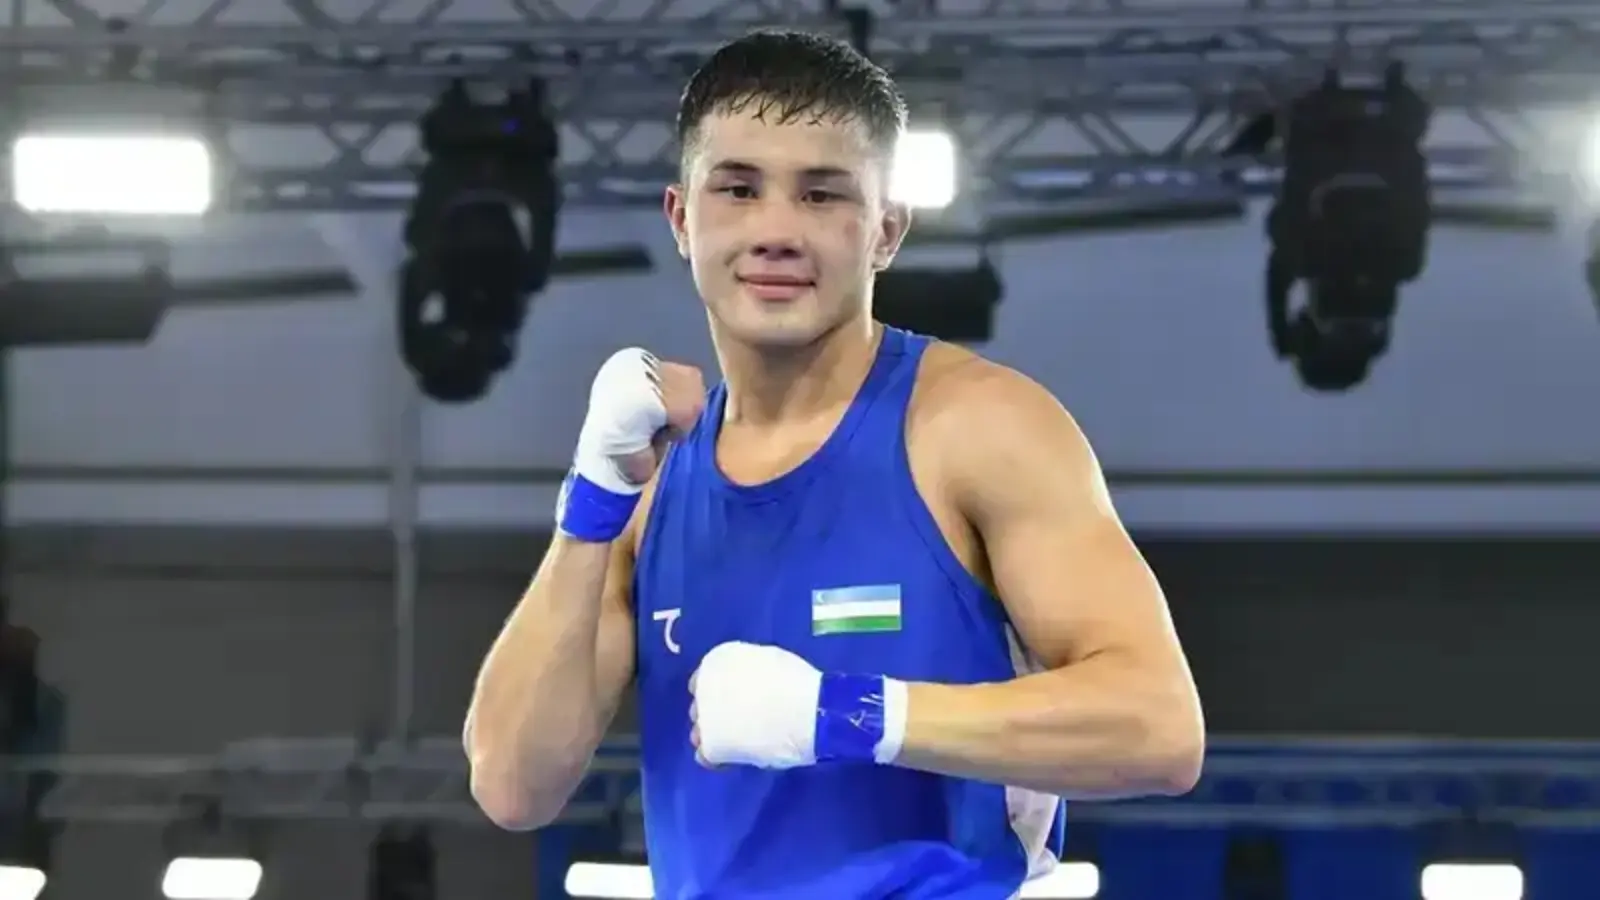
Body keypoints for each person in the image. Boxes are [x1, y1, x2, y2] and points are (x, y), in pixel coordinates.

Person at [464, 30, 1205, 899]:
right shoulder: (651, 481)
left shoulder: (975, 428)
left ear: (887, 229)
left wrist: (848, 715)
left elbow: (1157, 728)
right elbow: (512, 784)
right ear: (682, 218)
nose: (776, 231)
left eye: (821, 194)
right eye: (738, 188)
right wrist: (593, 495)